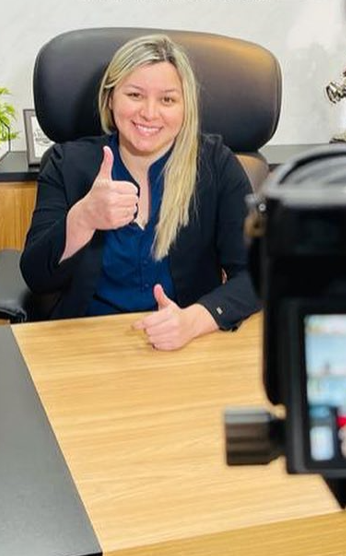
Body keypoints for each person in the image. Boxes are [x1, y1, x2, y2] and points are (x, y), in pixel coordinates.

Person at [20, 34, 259, 350]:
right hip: (86, 346)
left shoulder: (216, 164)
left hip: (187, 345)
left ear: (185, 107)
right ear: (110, 99)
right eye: (134, 95)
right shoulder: (66, 164)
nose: (149, 113)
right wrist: (83, 218)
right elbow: (35, 277)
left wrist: (194, 321)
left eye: (167, 100)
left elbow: (257, 274)